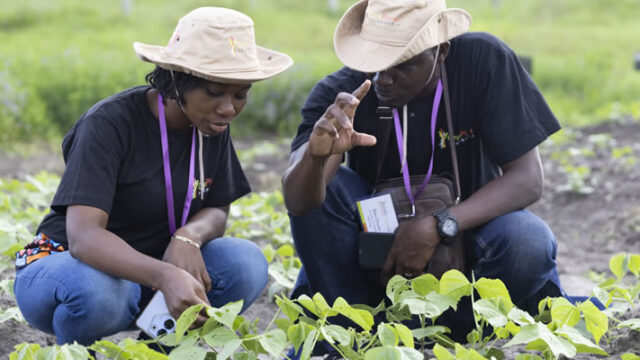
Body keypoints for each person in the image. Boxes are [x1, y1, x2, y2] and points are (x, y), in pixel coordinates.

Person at [282, 0, 564, 344]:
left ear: (441, 51)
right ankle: (352, 331)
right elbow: (298, 203)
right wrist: (315, 155)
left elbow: (527, 180)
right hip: (377, 249)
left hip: (469, 238)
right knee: (329, 191)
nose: (384, 78)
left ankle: (455, 330)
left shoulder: (483, 62)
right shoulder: (342, 93)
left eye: (404, 65)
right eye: (377, 62)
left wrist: (439, 224)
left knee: (527, 242)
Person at [13, 7, 292, 346]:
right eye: (215, 92)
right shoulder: (109, 124)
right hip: (70, 265)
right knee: (100, 293)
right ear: (177, 81)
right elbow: (84, 237)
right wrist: (165, 274)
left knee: (244, 264)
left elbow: (217, 210)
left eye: (240, 94)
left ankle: (156, 348)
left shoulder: (211, 126)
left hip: (155, 271)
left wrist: (188, 236)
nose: (229, 108)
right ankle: (74, 351)